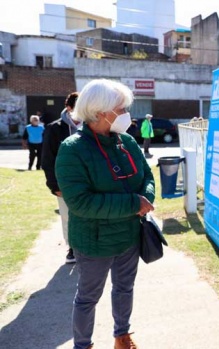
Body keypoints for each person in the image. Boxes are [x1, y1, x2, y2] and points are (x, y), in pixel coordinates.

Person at [55, 79, 155, 349]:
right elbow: (80, 202)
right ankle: (83, 345)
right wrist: (135, 203)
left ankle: (122, 335)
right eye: (121, 109)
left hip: (129, 236)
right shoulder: (72, 149)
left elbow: (147, 176)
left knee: (124, 289)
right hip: (94, 241)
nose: (126, 114)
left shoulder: (127, 141)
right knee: (88, 297)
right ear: (100, 112)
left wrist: (146, 198)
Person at [42, 91, 80, 264]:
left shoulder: (91, 125)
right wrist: (54, 185)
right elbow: (48, 159)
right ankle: (72, 247)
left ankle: (89, 246)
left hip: (89, 180)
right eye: (77, 108)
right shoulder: (55, 128)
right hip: (65, 182)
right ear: (68, 107)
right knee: (68, 215)